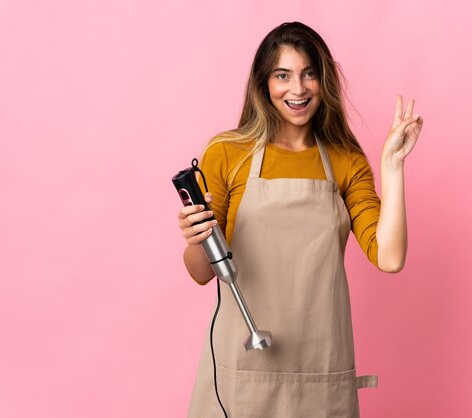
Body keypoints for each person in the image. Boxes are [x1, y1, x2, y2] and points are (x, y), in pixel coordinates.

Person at [178, 21, 424, 418]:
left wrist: (392, 166)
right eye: (283, 76)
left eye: (309, 73)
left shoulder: (346, 160)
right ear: (264, 84)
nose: (298, 89)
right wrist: (197, 238)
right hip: (244, 369)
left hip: (319, 369)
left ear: (322, 80)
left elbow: (390, 257)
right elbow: (201, 273)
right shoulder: (226, 153)